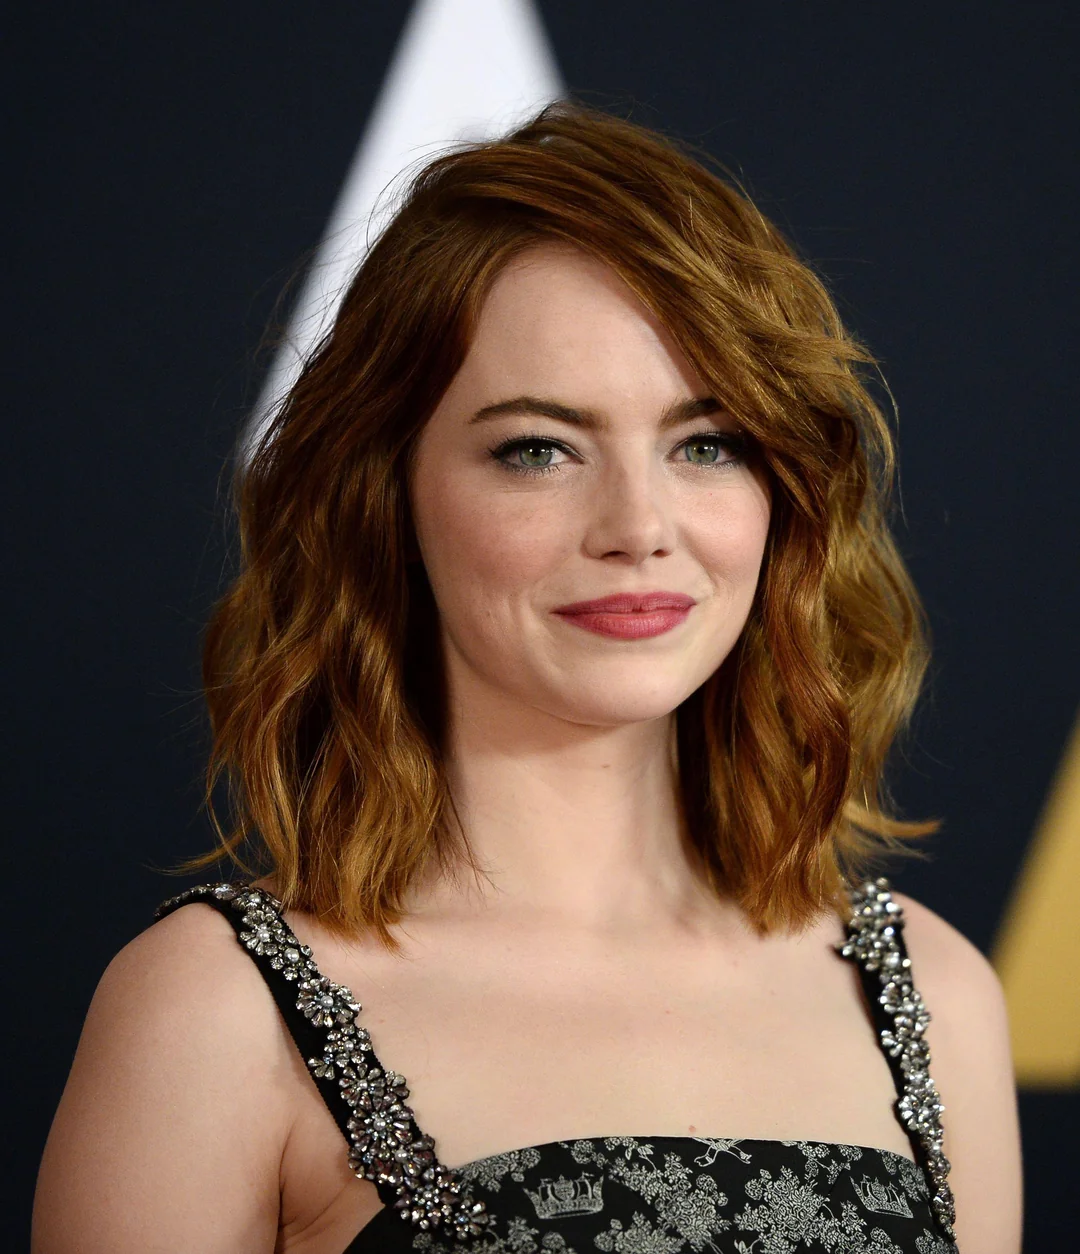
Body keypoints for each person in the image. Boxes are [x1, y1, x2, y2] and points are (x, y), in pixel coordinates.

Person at [32, 101, 1021, 1254]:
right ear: (385, 499)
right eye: (538, 449)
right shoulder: (213, 1010)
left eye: (707, 443)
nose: (640, 526)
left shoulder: (931, 994)